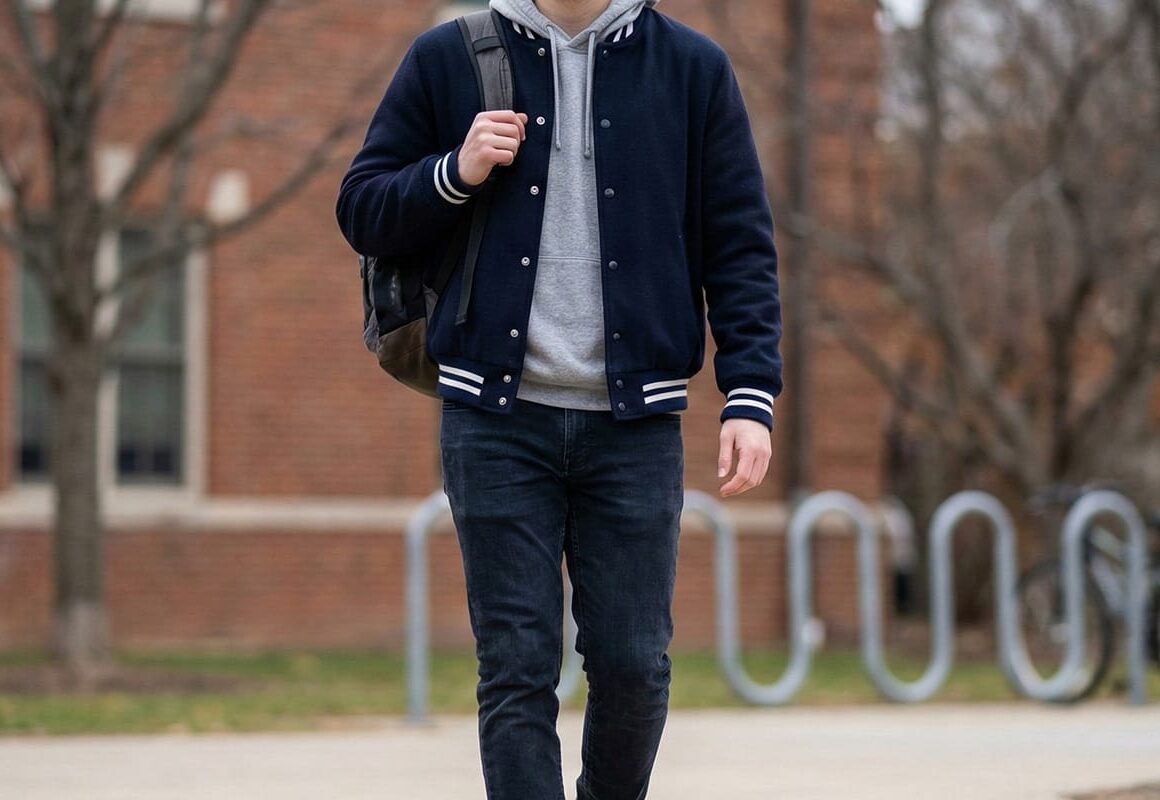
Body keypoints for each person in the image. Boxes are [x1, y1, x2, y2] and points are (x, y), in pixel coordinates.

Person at [336, 0, 782, 796]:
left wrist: (749, 392)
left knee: (635, 666)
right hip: (494, 420)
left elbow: (740, 242)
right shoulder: (449, 56)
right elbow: (362, 208)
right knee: (515, 667)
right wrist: (455, 171)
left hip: (635, 424)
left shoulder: (692, 69)